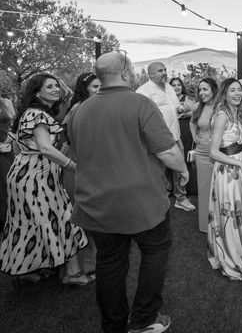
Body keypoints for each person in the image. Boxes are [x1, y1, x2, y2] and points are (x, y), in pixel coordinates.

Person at [68, 51, 188, 333]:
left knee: (109, 263)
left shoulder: (80, 109)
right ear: (124, 73)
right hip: (141, 202)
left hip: (96, 202)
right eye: (132, 69)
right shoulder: (140, 103)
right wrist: (182, 169)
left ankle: (113, 325)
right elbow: (168, 150)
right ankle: (144, 319)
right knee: (155, 252)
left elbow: (77, 148)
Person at [0, 74, 88, 285]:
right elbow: (46, 149)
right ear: (37, 92)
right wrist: (73, 166)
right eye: (50, 87)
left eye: (57, 85)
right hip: (34, 177)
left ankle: (26, 269)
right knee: (63, 217)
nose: (56, 89)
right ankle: (73, 274)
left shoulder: (32, 113)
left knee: (27, 221)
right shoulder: (38, 115)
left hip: (27, 173)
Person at [207, 78, 242, 280]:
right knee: (232, 214)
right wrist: (240, 164)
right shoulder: (222, 115)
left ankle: (241, 250)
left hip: (236, 169)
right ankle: (232, 256)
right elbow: (213, 152)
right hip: (227, 171)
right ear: (224, 92)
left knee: (238, 212)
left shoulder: (235, 113)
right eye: (232, 90)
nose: (237, 93)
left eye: (240, 90)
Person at [60, 72, 102, 282]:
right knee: (81, 215)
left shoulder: (89, 107)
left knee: (90, 216)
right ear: (84, 88)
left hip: (85, 162)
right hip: (78, 164)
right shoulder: (79, 109)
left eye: (101, 86)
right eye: (95, 87)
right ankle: (79, 268)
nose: (99, 90)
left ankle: (89, 265)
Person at [137, 63, 195, 212]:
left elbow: (176, 107)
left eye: (165, 70)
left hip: (175, 135)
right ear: (150, 74)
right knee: (158, 170)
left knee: (178, 167)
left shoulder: (169, 87)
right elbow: (139, 117)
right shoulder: (143, 92)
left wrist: (182, 108)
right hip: (157, 139)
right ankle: (157, 199)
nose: (164, 73)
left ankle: (181, 199)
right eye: (160, 71)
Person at [190, 77, 218, 233]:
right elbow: (192, 123)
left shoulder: (221, 107)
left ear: (214, 90)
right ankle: (205, 225)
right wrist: (195, 136)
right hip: (202, 153)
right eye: (199, 90)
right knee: (204, 188)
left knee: (219, 188)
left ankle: (219, 222)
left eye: (205, 89)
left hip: (220, 154)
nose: (201, 93)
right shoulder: (197, 107)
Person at [0, 75, 15, 231]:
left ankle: (9, 217)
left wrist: (8, 141)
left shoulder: (6, 102)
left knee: (8, 181)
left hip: (6, 148)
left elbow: (14, 125)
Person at [170, 77, 197, 194]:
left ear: (182, 86)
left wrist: (184, 114)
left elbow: (195, 113)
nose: (176, 87)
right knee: (174, 158)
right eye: (174, 85)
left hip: (185, 129)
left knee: (186, 155)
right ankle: (174, 187)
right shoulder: (168, 99)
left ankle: (190, 187)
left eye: (178, 85)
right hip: (172, 130)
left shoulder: (189, 98)